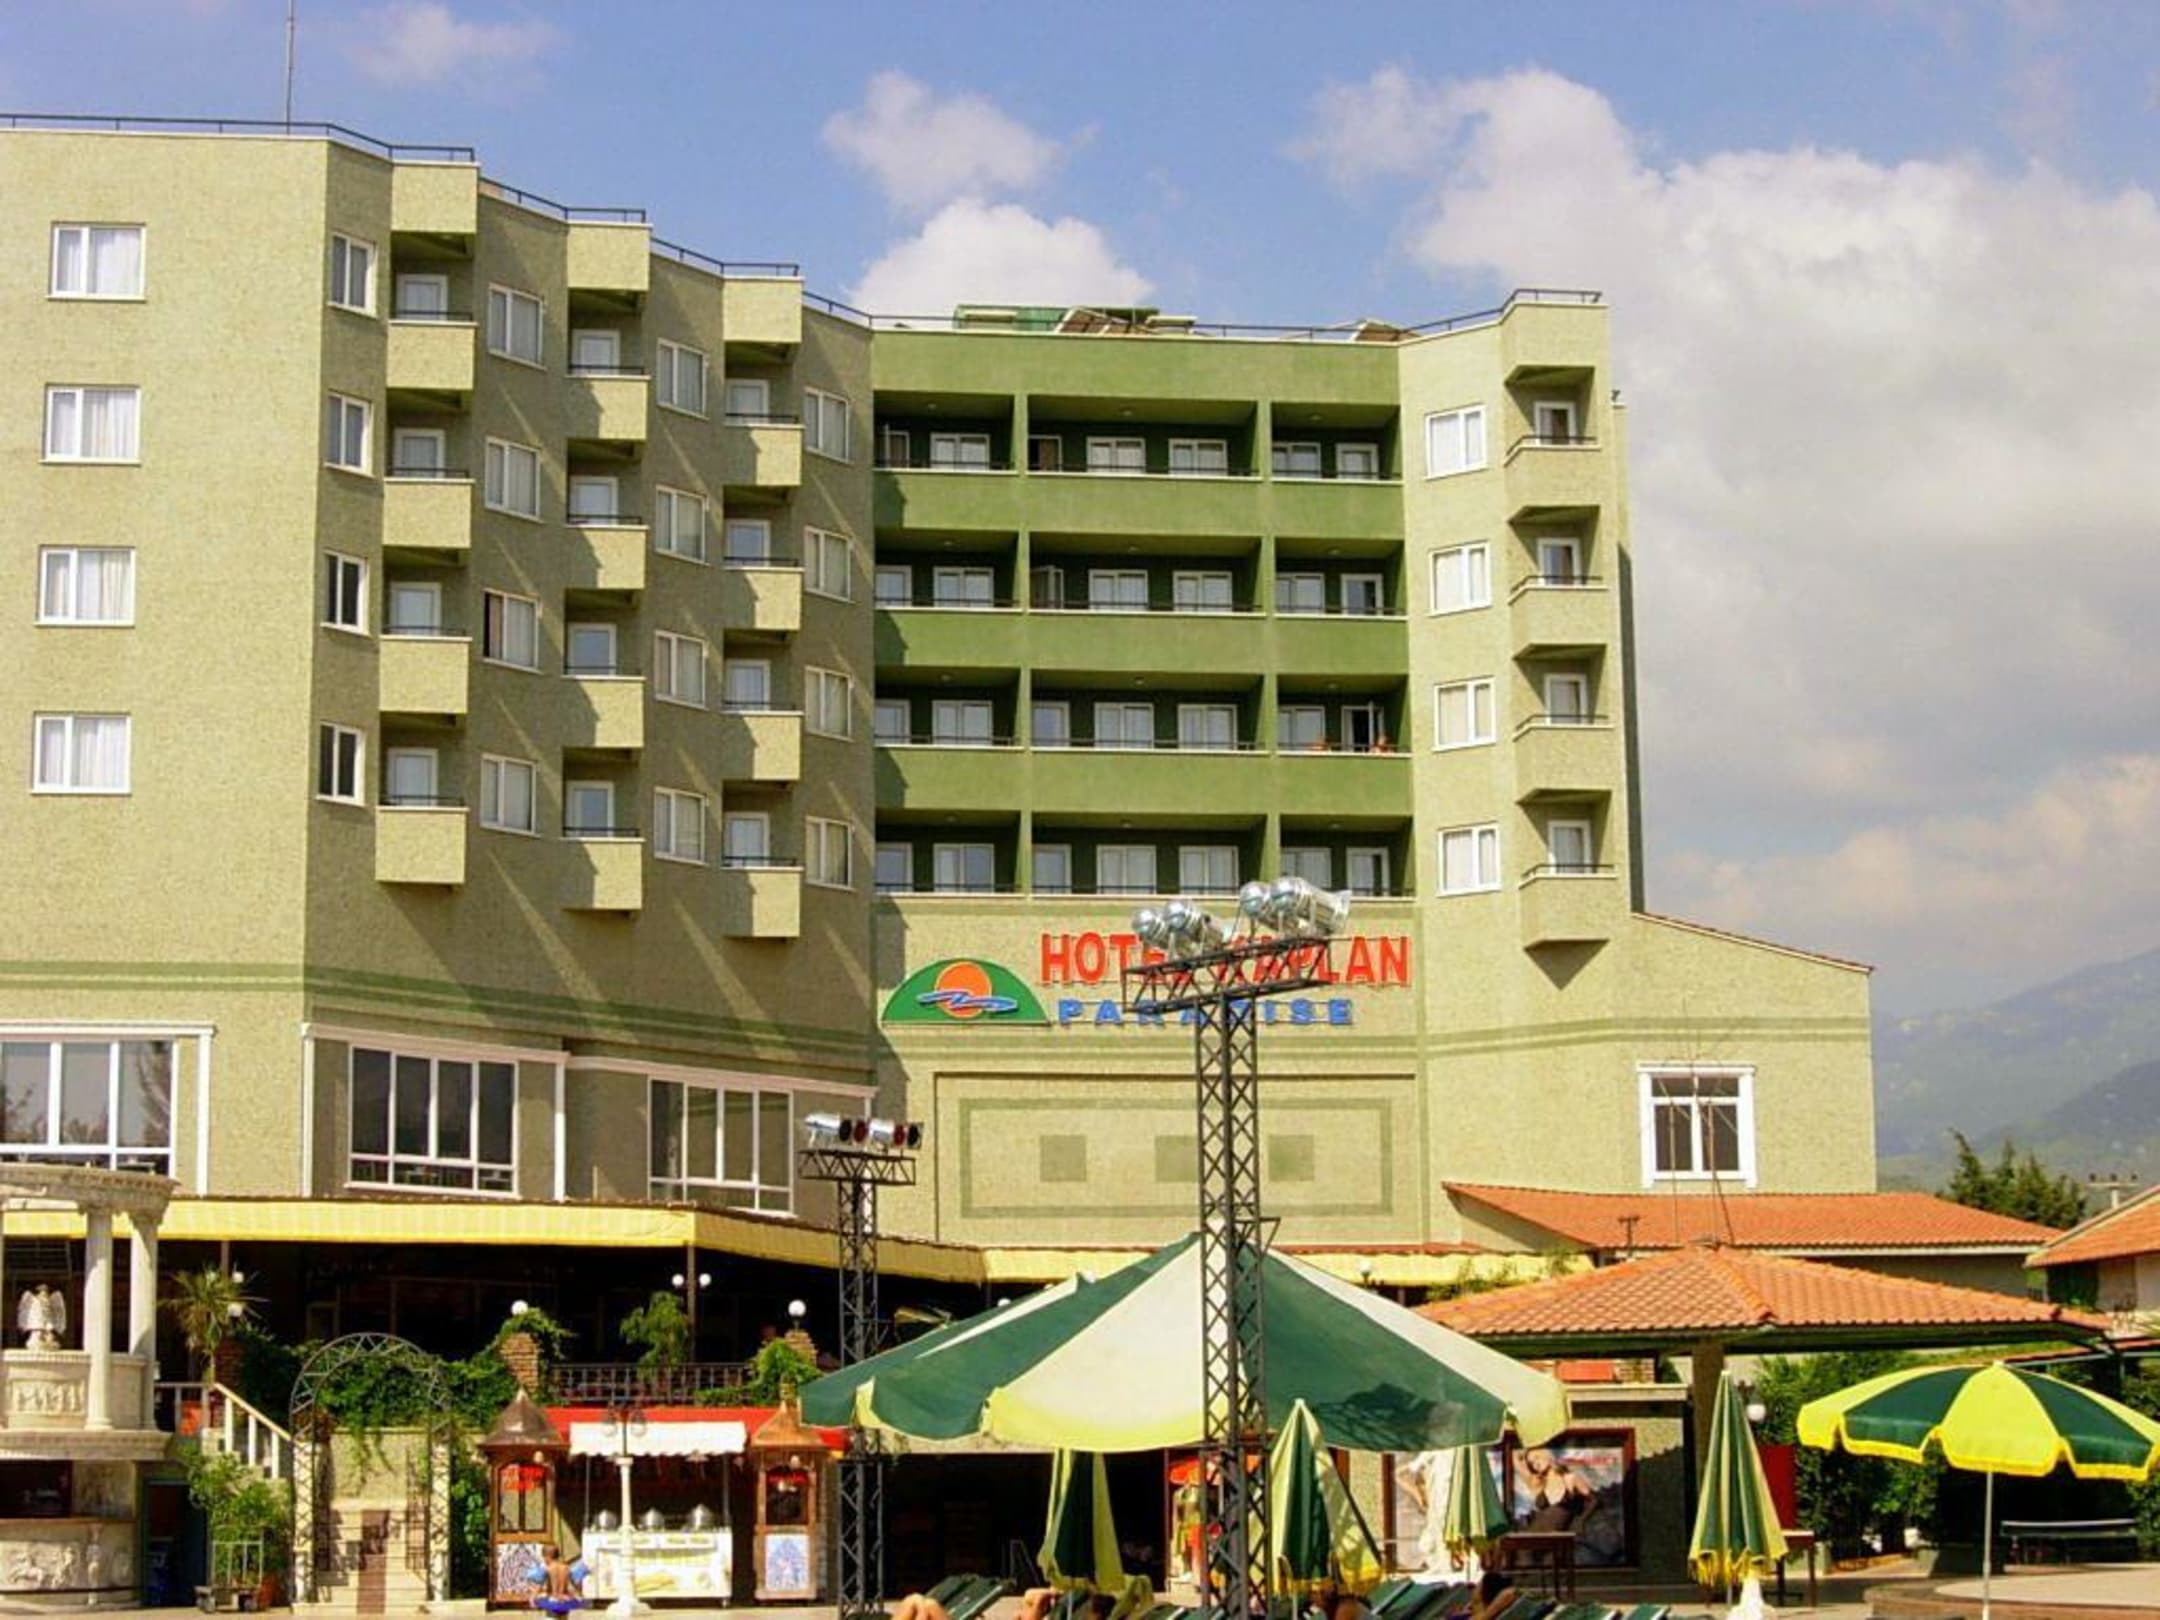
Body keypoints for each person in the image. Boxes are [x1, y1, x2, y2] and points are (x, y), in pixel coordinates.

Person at [529, 1545, 583, 1616]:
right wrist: (578, 1596)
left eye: (543, 1557)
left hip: (553, 1601)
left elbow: (539, 1586)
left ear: (547, 1557)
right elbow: (572, 1586)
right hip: (564, 1601)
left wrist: (532, 1599)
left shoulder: (548, 1569)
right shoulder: (566, 1568)